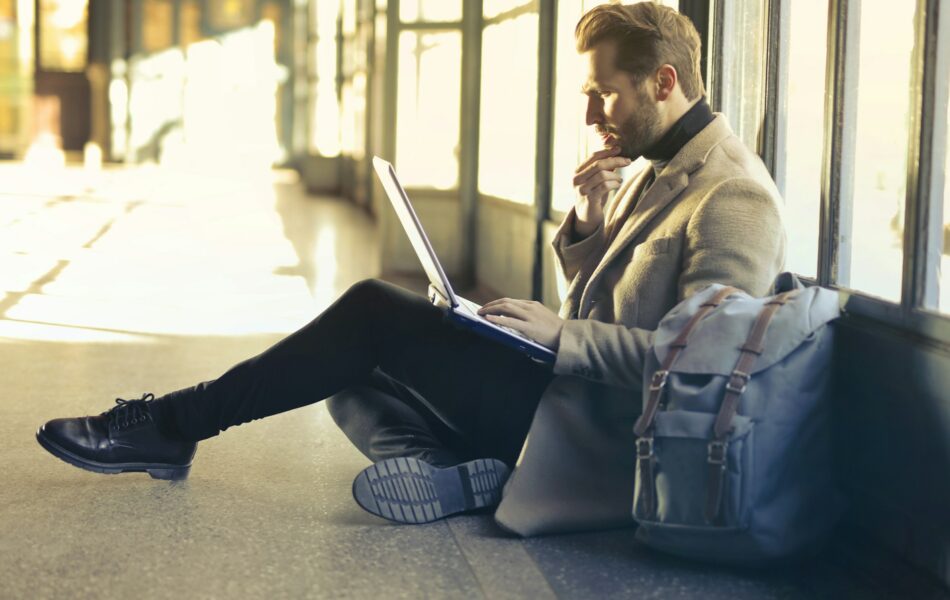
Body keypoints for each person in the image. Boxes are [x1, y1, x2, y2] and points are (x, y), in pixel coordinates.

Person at [35, 3, 785, 529]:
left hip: (600, 437)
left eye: (605, 95)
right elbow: (613, 307)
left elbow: (705, 374)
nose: (593, 116)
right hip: (561, 392)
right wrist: (588, 227)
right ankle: (452, 471)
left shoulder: (733, 196)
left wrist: (560, 338)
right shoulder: (656, 164)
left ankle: (173, 423)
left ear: (662, 82)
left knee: (368, 312)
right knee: (346, 375)